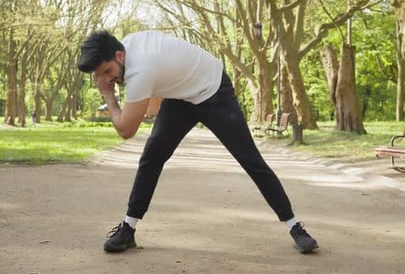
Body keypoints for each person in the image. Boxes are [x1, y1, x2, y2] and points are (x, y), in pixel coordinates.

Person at [77, 30, 318, 254]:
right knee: (153, 156)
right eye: (99, 76)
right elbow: (152, 103)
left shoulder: (140, 70)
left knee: (249, 158)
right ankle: (128, 229)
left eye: (107, 72)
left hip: (212, 90)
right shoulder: (127, 50)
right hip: (180, 97)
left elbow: (126, 130)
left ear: (119, 55)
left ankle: (295, 226)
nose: (106, 79)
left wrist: (108, 95)